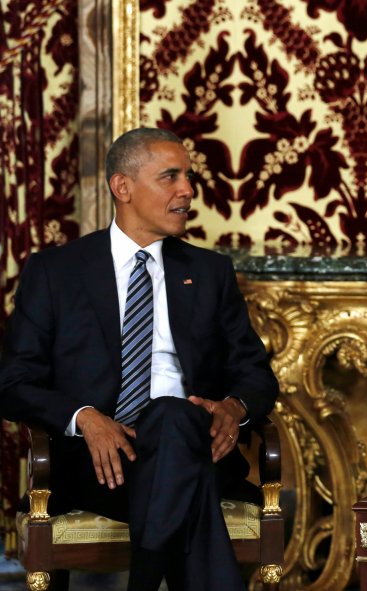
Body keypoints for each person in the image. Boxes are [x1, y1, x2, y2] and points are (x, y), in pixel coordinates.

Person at [0, 128, 279, 591]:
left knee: (171, 415)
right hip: (97, 465)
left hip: (198, 446)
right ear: (122, 187)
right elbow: (12, 383)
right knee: (179, 450)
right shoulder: (55, 271)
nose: (187, 190)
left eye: (188, 177)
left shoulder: (209, 273)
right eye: (170, 177)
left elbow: (255, 375)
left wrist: (234, 407)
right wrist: (84, 417)